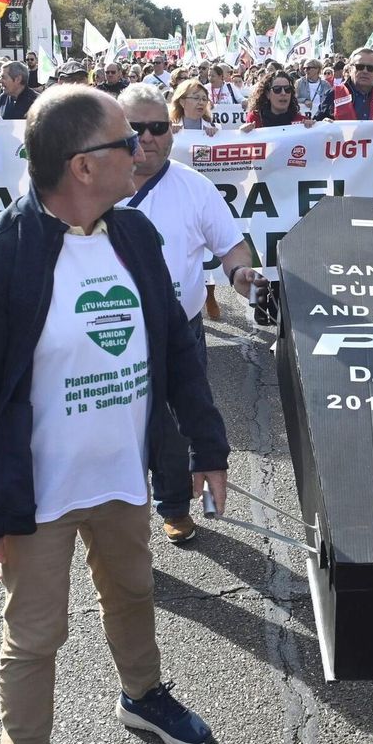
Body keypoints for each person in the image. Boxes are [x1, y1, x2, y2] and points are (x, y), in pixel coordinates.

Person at [0, 85, 230, 744]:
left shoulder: (133, 233)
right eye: (126, 141)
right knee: (37, 637)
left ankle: (144, 696)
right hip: (36, 493)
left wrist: (207, 444)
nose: (143, 149)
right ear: (82, 165)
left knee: (133, 595)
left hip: (123, 476)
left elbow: (176, 347)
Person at [118, 84, 262, 541]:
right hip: (109, 335)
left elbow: (233, 248)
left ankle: (175, 506)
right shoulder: (94, 185)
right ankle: (117, 521)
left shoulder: (194, 187)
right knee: (116, 429)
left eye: (157, 127)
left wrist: (241, 274)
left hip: (179, 331)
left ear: (172, 130)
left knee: (179, 425)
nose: (147, 137)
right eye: (134, 128)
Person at [325, 48, 373, 121]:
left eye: (370, 68)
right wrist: (321, 123)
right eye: (360, 67)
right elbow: (317, 124)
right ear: (350, 70)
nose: (365, 71)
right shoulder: (333, 94)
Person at [240, 70, 318, 131]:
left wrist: (314, 128)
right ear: (267, 94)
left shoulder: (301, 121)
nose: (283, 93)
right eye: (277, 89)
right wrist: (243, 134)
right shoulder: (255, 118)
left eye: (287, 89)